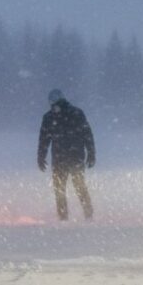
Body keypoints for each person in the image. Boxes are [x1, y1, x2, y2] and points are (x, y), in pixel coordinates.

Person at [37, 89, 95, 221]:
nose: (53, 107)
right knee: (61, 189)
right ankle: (65, 217)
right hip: (62, 159)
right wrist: (41, 156)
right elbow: (44, 139)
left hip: (72, 157)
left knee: (77, 186)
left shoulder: (75, 114)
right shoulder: (50, 117)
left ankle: (87, 215)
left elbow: (87, 134)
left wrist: (91, 153)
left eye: (54, 104)